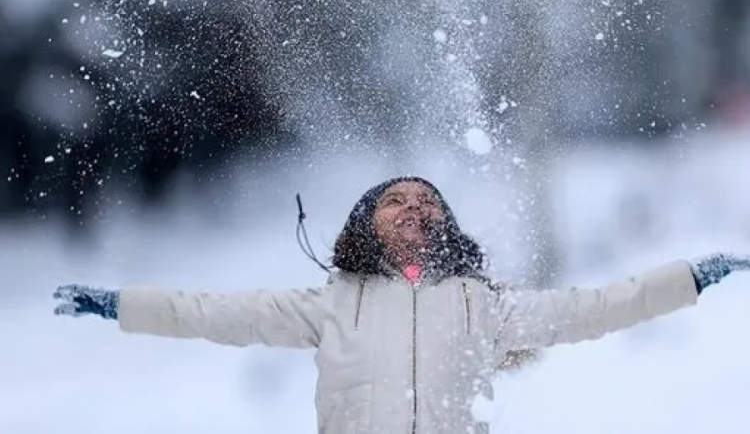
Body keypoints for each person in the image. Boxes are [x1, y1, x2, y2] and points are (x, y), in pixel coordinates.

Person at [53, 176, 748, 434]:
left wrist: (688, 276)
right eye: (396, 200)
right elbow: (209, 311)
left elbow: (595, 306)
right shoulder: (327, 305)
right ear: (365, 225)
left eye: (429, 201)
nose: (416, 207)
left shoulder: (486, 305)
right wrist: (120, 304)